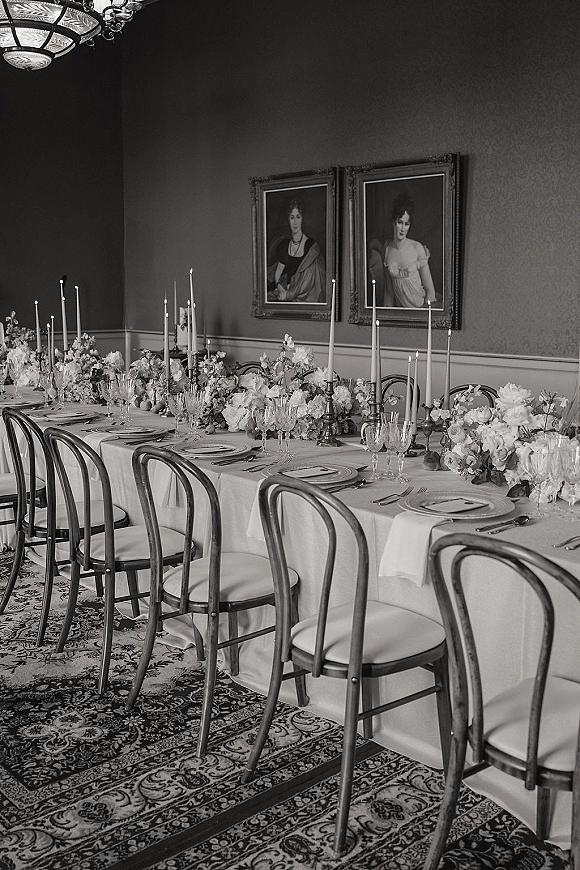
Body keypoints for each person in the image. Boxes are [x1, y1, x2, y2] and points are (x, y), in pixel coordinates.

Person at [368, 193, 436, 308]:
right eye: (400, 223)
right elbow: (389, 294)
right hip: (402, 315)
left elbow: (430, 292)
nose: (403, 229)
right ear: (393, 222)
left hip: (421, 309)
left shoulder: (417, 248)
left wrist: (423, 316)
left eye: (407, 224)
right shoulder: (388, 250)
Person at [267, 196, 325, 303]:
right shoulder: (284, 245)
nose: (295, 223)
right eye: (292, 217)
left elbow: (307, 282)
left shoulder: (311, 247)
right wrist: (281, 289)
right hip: (286, 292)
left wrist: (288, 295)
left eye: (298, 217)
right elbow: (277, 274)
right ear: (288, 219)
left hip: (305, 295)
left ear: (303, 218)